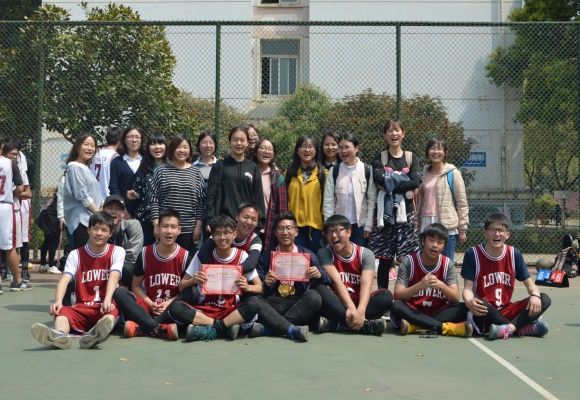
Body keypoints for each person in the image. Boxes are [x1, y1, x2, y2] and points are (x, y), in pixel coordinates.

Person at [30, 212, 124, 349]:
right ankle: (59, 336)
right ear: (88, 230)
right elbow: (65, 279)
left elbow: (114, 276)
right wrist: (58, 301)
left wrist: (108, 300)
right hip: (82, 308)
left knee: (110, 316)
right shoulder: (76, 254)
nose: (99, 233)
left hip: (105, 306)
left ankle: (95, 334)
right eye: (95, 228)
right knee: (63, 313)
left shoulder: (117, 251)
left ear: (110, 233)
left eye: (104, 230)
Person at [167, 215, 262, 341]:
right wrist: (193, 280)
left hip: (231, 310)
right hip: (205, 310)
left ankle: (210, 329)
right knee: (176, 308)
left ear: (234, 234)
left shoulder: (242, 256)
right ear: (212, 236)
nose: (222, 237)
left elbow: (259, 287)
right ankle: (223, 327)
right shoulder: (201, 256)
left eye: (227, 233)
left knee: (254, 303)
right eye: (218, 234)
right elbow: (181, 286)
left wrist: (247, 286)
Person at [461, 213, 551, 340]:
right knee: (483, 305)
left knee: (544, 299)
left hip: (506, 309)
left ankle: (509, 329)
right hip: (486, 312)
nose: (497, 234)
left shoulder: (514, 254)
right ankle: (522, 327)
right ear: (485, 233)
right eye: (492, 230)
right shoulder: (473, 254)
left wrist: (535, 296)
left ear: (507, 234)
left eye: (501, 230)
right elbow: (467, 289)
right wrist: (470, 301)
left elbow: (531, 286)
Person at [113, 208, 190, 340]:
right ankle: (158, 329)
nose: (169, 231)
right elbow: (135, 286)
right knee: (119, 292)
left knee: (192, 294)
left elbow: (187, 292)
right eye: (165, 226)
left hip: (171, 309)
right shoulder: (145, 253)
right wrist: (150, 303)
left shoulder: (185, 256)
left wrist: (169, 303)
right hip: (148, 307)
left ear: (179, 230)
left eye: (173, 227)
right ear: (158, 229)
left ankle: (142, 328)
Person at [251, 212, 327, 341]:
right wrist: (266, 282)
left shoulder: (307, 254)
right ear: (275, 233)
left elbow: (327, 278)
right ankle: (288, 327)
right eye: (281, 228)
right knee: (254, 300)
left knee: (314, 297)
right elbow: (258, 283)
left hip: (296, 303)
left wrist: (319, 274)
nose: (285, 232)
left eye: (289, 228)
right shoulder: (267, 255)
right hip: (273, 302)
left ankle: (270, 328)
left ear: (296, 232)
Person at [390, 223, 472, 337]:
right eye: (431, 240)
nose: (435, 245)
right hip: (413, 310)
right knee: (396, 305)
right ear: (423, 241)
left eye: (440, 242)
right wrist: (420, 285)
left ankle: (415, 326)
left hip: (438, 312)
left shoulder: (447, 264)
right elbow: (398, 295)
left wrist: (441, 285)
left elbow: (455, 298)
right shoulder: (409, 261)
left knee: (463, 308)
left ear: (444, 246)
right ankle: (446, 328)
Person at [315, 215, 392, 335]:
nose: (333, 235)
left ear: (349, 232)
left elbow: (366, 284)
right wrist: (350, 308)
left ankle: (335, 325)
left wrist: (360, 311)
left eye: (337, 231)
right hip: (338, 303)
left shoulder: (366, 254)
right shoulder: (324, 253)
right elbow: (337, 281)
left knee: (386, 296)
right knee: (318, 289)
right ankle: (364, 326)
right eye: (329, 232)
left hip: (360, 302)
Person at [369, 119, 421, 289]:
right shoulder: (379, 158)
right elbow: (379, 180)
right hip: (385, 216)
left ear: (403, 134)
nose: (394, 134)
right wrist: (404, 180)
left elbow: (415, 182)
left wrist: (390, 181)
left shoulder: (411, 157)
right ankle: (383, 296)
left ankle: (407, 295)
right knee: (385, 260)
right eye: (390, 131)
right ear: (385, 135)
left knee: (408, 259)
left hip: (407, 215)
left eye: (397, 130)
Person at [150, 134, 205, 253]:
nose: (182, 150)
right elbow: (153, 200)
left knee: (186, 260)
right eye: (178, 147)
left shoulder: (196, 173)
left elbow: (200, 202)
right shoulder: (161, 171)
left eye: (185, 147)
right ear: (172, 149)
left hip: (188, 229)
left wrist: (198, 226)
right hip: (167, 228)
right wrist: (156, 225)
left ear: (190, 150)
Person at [417, 139, 468, 261]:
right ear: (427, 152)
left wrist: (462, 229)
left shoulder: (453, 173)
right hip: (426, 223)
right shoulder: (423, 173)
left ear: (445, 153)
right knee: (427, 263)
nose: (436, 152)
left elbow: (462, 203)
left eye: (439, 149)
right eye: (432, 148)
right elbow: (420, 199)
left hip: (447, 225)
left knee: (446, 263)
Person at [323, 133, 376, 246]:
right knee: (338, 254)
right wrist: (330, 225)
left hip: (360, 226)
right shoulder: (334, 171)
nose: (343, 151)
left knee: (359, 255)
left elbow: (371, 200)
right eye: (340, 148)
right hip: (338, 226)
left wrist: (368, 225)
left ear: (356, 148)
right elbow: (328, 201)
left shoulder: (367, 170)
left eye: (347, 147)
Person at [206, 126, 265, 226]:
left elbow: (258, 196)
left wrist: (260, 221)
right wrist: (210, 218)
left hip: (247, 223)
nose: (239, 143)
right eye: (235, 140)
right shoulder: (220, 165)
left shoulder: (253, 167)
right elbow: (211, 194)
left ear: (247, 143)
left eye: (242, 140)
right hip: (223, 222)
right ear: (230, 142)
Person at [61, 133, 103, 249]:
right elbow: (82, 195)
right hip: (81, 221)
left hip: (90, 219)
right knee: (83, 256)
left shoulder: (85, 168)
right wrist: (99, 214)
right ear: (78, 147)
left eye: (92, 146)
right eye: (86, 144)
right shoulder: (74, 167)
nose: (90, 148)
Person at [286, 135, 326, 253]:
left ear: (316, 150)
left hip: (316, 228)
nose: (307, 150)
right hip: (294, 227)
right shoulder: (289, 173)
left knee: (315, 260)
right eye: (303, 146)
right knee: (297, 259)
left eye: (310, 147)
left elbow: (327, 202)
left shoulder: (323, 173)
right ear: (297, 151)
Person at [197, 203, 262, 274]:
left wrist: (228, 275)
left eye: (253, 219)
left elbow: (250, 264)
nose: (249, 222)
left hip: (240, 276)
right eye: (245, 217)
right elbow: (202, 253)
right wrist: (214, 273)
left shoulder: (255, 240)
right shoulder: (224, 231)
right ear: (237, 217)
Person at [0, 138, 29, 293]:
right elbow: (20, 188)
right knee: (9, 246)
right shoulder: (10, 163)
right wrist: (8, 193)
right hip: (5, 205)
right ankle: (17, 281)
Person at [127, 132, 167, 245]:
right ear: (148, 147)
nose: (157, 147)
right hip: (145, 219)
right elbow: (138, 190)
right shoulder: (144, 168)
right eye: (153, 144)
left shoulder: (172, 168)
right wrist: (134, 195)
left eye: (160, 143)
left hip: (166, 219)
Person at [102, 195, 144, 287]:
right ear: (103, 211)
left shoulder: (134, 225)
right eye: (110, 208)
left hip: (124, 269)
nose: (113, 212)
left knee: (127, 268)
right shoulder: (97, 229)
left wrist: (114, 272)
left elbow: (131, 257)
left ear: (123, 213)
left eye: (118, 209)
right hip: (102, 269)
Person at [253, 138, 287, 252]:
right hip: (250, 225)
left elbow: (282, 209)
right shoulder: (248, 172)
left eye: (270, 149)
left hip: (269, 227)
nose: (266, 151)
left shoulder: (278, 177)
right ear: (256, 151)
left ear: (274, 154)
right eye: (262, 148)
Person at [109, 126, 143, 218]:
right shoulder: (116, 162)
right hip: (124, 212)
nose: (134, 140)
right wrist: (122, 209)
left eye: (137, 137)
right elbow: (113, 187)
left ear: (141, 140)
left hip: (145, 211)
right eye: (130, 137)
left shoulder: (147, 161)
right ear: (124, 140)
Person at [91, 125, 121, 200]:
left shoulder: (96, 154)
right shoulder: (115, 157)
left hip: (94, 197)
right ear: (120, 140)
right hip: (107, 197)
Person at [36, 191, 62, 274]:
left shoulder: (57, 195)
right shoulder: (62, 194)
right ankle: (51, 266)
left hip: (47, 216)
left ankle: (43, 264)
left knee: (47, 241)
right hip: (51, 217)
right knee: (53, 241)